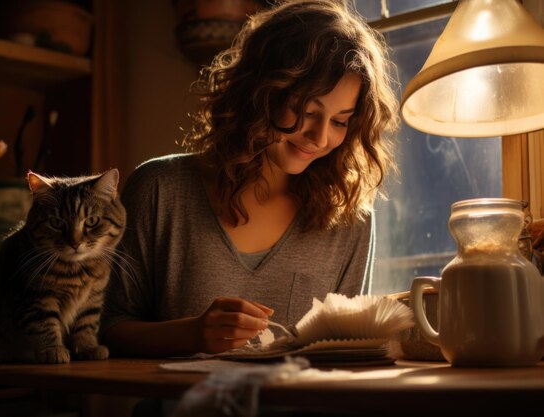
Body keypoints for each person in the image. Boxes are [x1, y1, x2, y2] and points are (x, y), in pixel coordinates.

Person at [101, 0, 399, 357]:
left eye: (339, 121)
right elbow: (106, 329)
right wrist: (192, 334)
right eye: (307, 111)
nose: (320, 138)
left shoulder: (350, 218)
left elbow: (345, 355)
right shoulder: (160, 189)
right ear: (260, 92)